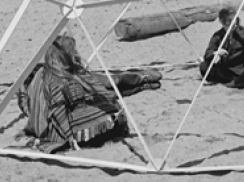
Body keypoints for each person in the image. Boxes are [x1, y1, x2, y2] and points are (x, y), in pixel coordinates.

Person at [16, 35, 161, 152]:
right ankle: (142, 80)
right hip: (54, 130)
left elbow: (25, 101)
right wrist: (69, 138)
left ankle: (142, 81)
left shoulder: (51, 72)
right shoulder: (56, 79)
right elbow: (57, 109)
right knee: (109, 106)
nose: (76, 54)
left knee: (99, 90)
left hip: (41, 125)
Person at [200, 7, 244, 88]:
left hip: (242, 69)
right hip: (225, 70)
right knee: (204, 66)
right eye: (228, 24)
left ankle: (234, 83)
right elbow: (207, 54)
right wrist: (215, 53)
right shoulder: (217, 36)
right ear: (221, 22)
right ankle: (232, 81)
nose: (231, 27)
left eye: (233, 23)